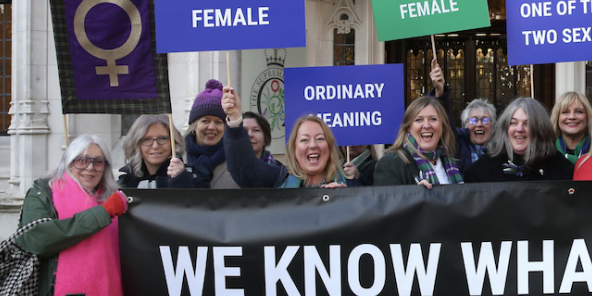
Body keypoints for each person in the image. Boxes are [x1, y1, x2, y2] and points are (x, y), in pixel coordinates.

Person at [10, 134, 129, 296]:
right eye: (81, 160)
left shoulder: (114, 198)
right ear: (68, 161)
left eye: (98, 161)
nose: (90, 168)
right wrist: (103, 213)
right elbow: (39, 238)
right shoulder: (43, 193)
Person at [220, 86, 348, 188]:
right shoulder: (277, 178)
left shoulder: (351, 184)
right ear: (294, 148)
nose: (313, 145)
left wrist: (344, 201)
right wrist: (235, 119)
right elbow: (244, 168)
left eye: (320, 138)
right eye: (304, 140)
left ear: (330, 146)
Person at [464, 97, 574, 182]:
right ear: (505, 128)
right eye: (513, 123)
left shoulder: (562, 168)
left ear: (540, 129)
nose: (519, 129)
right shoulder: (481, 171)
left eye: (527, 123)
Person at [375, 96, 464, 187]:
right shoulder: (391, 164)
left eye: (433, 119)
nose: (426, 125)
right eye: (418, 120)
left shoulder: (452, 162)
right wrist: (416, 195)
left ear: (443, 126)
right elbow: (387, 200)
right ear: (408, 127)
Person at [168, 79, 236, 188]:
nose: (211, 127)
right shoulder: (177, 156)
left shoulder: (236, 156)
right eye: (205, 121)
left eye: (218, 122)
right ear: (194, 125)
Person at [428, 59, 494, 171]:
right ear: (465, 125)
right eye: (473, 120)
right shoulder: (457, 146)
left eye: (484, 120)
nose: (479, 124)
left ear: (493, 126)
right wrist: (440, 92)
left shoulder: (501, 150)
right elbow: (446, 123)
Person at [117, 114, 186, 189]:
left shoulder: (191, 179)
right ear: (136, 144)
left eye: (162, 138)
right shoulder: (124, 184)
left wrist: (180, 180)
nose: (155, 146)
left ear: (173, 142)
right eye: (146, 139)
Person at [551, 91, 592, 163]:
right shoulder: (545, 151)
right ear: (557, 117)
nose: (572, 117)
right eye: (565, 112)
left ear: (587, 116)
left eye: (579, 111)